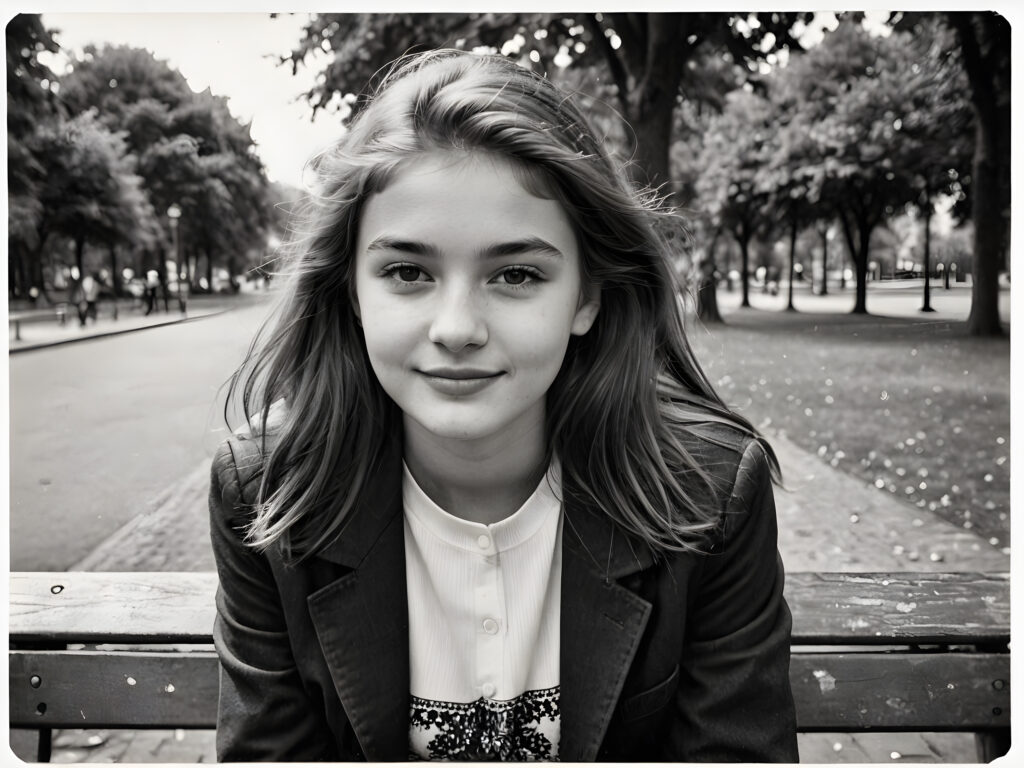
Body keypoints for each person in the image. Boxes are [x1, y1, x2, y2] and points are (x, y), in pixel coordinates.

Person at [210, 49, 797, 763]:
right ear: (351, 292)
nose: (457, 328)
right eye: (407, 272)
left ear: (586, 296)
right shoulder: (268, 494)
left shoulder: (710, 497)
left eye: (516, 273)